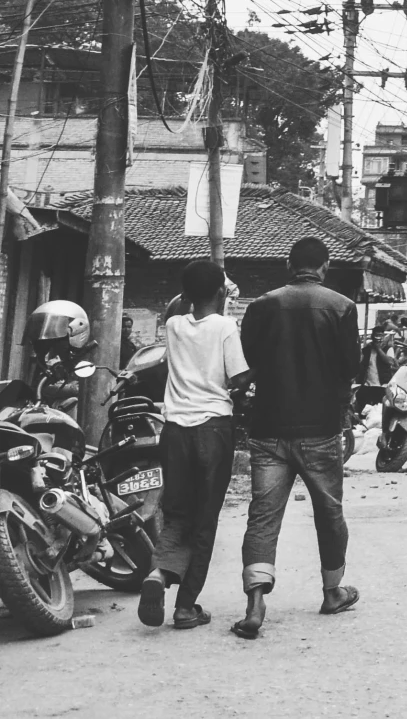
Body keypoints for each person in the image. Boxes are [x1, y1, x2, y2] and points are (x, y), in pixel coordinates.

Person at [235, 236, 362, 639]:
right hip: (321, 428)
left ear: (290, 265)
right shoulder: (341, 307)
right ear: (324, 267)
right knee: (329, 513)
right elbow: (351, 367)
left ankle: (255, 604)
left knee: (263, 516)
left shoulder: (261, 306)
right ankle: (332, 590)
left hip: (269, 426)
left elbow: (246, 362)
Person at [140, 258, 250, 630]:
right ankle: (186, 606)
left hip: (174, 432)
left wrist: (197, 291)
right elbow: (239, 377)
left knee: (177, 513)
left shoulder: (172, 325)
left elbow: (177, 307)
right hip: (213, 430)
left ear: (185, 294)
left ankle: (159, 574)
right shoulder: (225, 326)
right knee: (204, 522)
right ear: (221, 292)